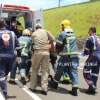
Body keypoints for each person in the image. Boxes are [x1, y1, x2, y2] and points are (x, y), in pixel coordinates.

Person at [49, 19, 79, 96]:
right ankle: (74, 89)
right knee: (73, 71)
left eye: (62, 25)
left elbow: (58, 45)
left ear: (64, 25)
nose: (61, 27)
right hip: (75, 55)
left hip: (66, 55)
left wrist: (56, 52)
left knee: (60, 69)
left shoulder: (63, 33)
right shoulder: (74, 33)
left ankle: (55, 84)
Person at [30, 24, 55, 95]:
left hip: (37, 52)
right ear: (41, 27)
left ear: (36, 28)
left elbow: (32, 43)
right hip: (46, 52)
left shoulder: (34, 33)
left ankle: (32, 87)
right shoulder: (46, 31)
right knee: (45, 71)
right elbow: (53, 39)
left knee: (35, 69)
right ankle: (44, 88)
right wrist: (48, 43)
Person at [0, 18, 19, 98]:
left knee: (2, 75)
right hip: (11, 58)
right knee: (5, 74)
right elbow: (18, 46)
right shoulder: (12, 33)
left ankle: (4, 93)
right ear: (5, 24)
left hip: (1, 57)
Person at [83, 26, 100, 95]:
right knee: (95, 73)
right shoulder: (99, 38)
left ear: (91, 31)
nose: (88, 32)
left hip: (93, 56)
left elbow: (86, 51)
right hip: (99, 57)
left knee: (85, 71)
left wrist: (84, 53)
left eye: (89, 30)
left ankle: (92, 85)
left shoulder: (90, 38)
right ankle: (92, 88)